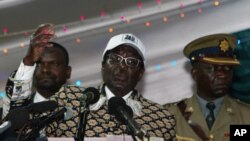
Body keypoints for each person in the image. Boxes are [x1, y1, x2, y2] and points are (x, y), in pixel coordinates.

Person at [46, 33, 176, 140]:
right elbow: (31, 130)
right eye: (115, 58)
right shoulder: (70, 98)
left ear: (140, 73)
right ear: (103, 65)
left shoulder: (162, 119)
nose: (122, 67)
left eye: (131, 62)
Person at [164, 33, 250, 141]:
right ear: (195, 74)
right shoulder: (169, 116)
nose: (222, 74)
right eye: (212, 69)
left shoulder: (246, 116)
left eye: (227, 68)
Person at [1, 23, 73, 118]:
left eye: (54, 64)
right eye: (38, 64)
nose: (45, 70)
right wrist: (29, 61)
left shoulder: (82, 107)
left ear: (67, 72)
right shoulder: (20, 110)